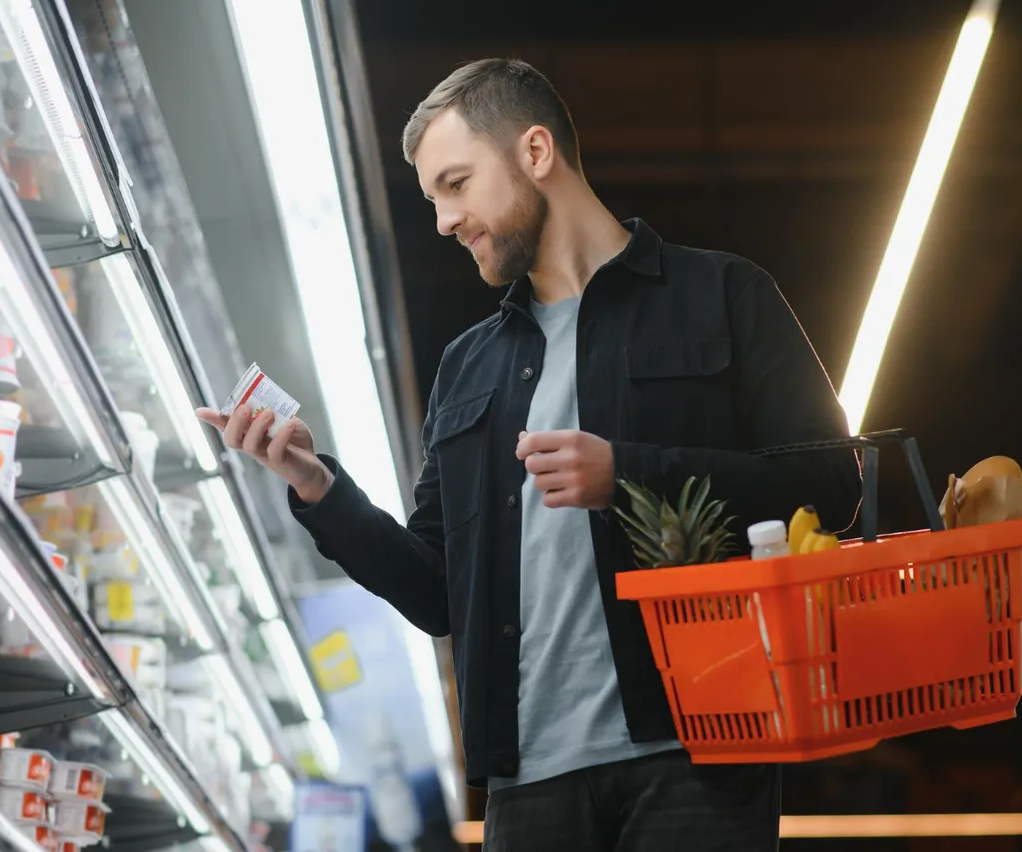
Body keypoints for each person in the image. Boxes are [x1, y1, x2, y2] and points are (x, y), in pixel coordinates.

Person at [198, 59, 860, 851]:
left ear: (536, 152)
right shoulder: (467, 367)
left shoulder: (724, 295)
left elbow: (830, 483)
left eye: (455, 183)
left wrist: (629, 474)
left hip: (699, 753)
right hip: (527, 787)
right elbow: (437, 592)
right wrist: (316, 486)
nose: (444, 221)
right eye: (433, 198)